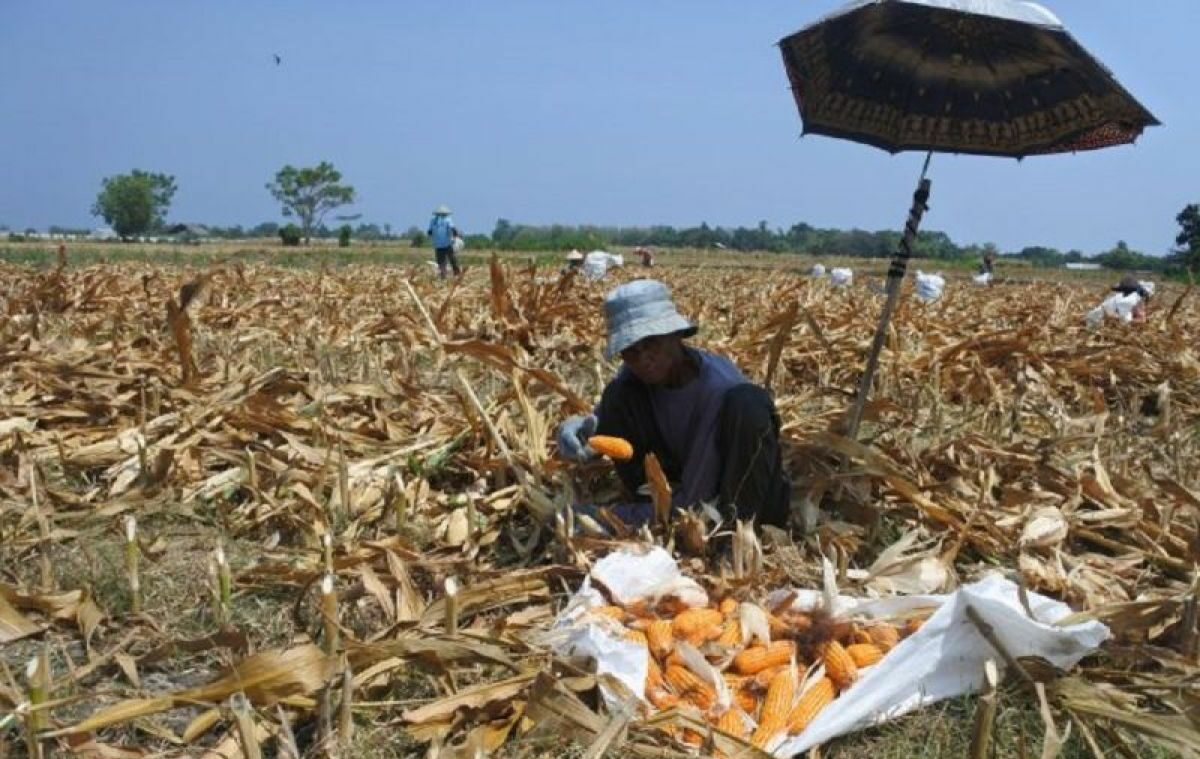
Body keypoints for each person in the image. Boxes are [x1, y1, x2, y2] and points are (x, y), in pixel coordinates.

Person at [557, 279, 790, 529]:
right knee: (618, 394)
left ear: (676, 334)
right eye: (630, 350)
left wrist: (609, 517)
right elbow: (602, 423)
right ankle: (648, 502)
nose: (643, 358)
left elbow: (694, 502)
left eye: (651, 344)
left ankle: (732, 530)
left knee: (749, 405)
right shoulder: (635, 377)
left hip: (734, 496)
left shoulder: (718, 390)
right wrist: (577, 429)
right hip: (684, 480)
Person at [427, 205, 461, 278]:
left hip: (437, 244)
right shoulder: (448, 219)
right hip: (447, 243)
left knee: (441, 261)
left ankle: (443, 275)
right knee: (452, 259)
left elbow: (429, 232)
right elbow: (453, 229)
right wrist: (456, 236)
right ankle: (457, 273)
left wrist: (433, 238)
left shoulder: (433, 221)